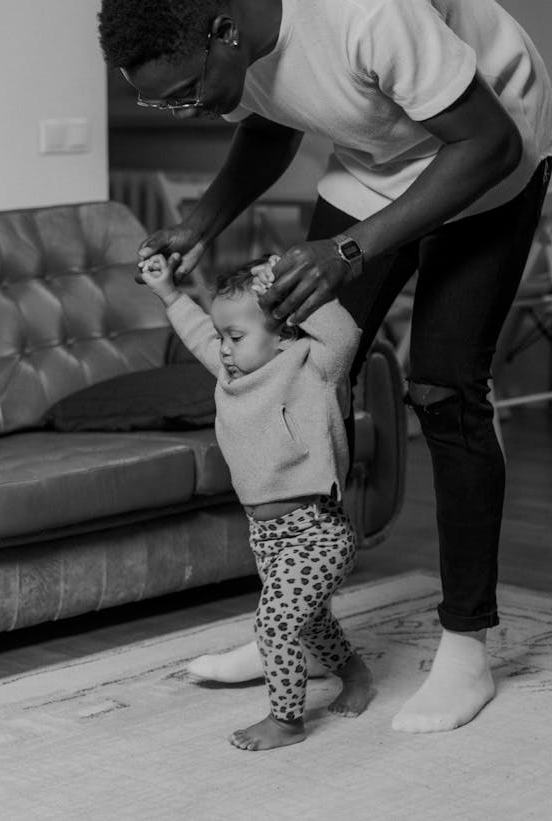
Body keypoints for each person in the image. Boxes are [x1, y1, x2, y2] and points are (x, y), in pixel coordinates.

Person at [98, 0, 552, 733]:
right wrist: (203, 223)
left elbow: (487, 141)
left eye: (181, 92)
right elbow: (273, 119)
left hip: (491, 149)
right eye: (157, 100)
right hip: (381, 153)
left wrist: (351, 249)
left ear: (222, 34)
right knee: (296, 363)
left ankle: (466, 647)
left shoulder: (363, 3)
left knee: (443, 386)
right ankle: (298, 621)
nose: (180, 108)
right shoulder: (215, 1)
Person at [139, 250, 373, 751]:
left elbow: (345, 334)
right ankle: (356, 674)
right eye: (223, 337)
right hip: (267, 536)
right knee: (310, 625)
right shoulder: (232, 375)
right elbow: (200, 332)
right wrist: (170, 294)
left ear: (284, 331)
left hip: (318, 531)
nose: (223, 348)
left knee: (274, 626)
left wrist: (288, 291)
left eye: (236, 336)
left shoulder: (315, 368)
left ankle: (286, 720)